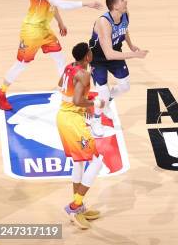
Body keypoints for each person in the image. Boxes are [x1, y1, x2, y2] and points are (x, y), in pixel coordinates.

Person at [0, 0, 102, 111]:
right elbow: (61, 4)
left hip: (44, 28)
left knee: (59, 57)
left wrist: (60, 22)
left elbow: (53, 5)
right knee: (22, 65)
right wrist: (86, 3)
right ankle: (0, 94)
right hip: (31, 31)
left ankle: (68, 90)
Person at [57, 42, 104, 229]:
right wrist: (94, 103)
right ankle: (74, 206)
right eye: (90, 51)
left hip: (64, 116)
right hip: (72, 121)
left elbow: (61, 85)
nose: (92, 53)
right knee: (96, 161)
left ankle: (80, 208)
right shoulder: (83, 74)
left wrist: (82, 99)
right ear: (87, 56)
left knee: (79, 162)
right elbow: (77, 99)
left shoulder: (70, 67)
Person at [88, 0, 148, 136]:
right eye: (122, 0)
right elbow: (108, 54)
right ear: (114, 6)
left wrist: (131, 45)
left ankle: (107, 101)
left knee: (125, 86)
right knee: (102, 92)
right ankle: (96, 120)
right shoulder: (103, 22)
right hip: (98, 58)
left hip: (116, 52)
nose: (125, 0)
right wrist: (135, 55)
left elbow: (124, 29)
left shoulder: (125, 13)